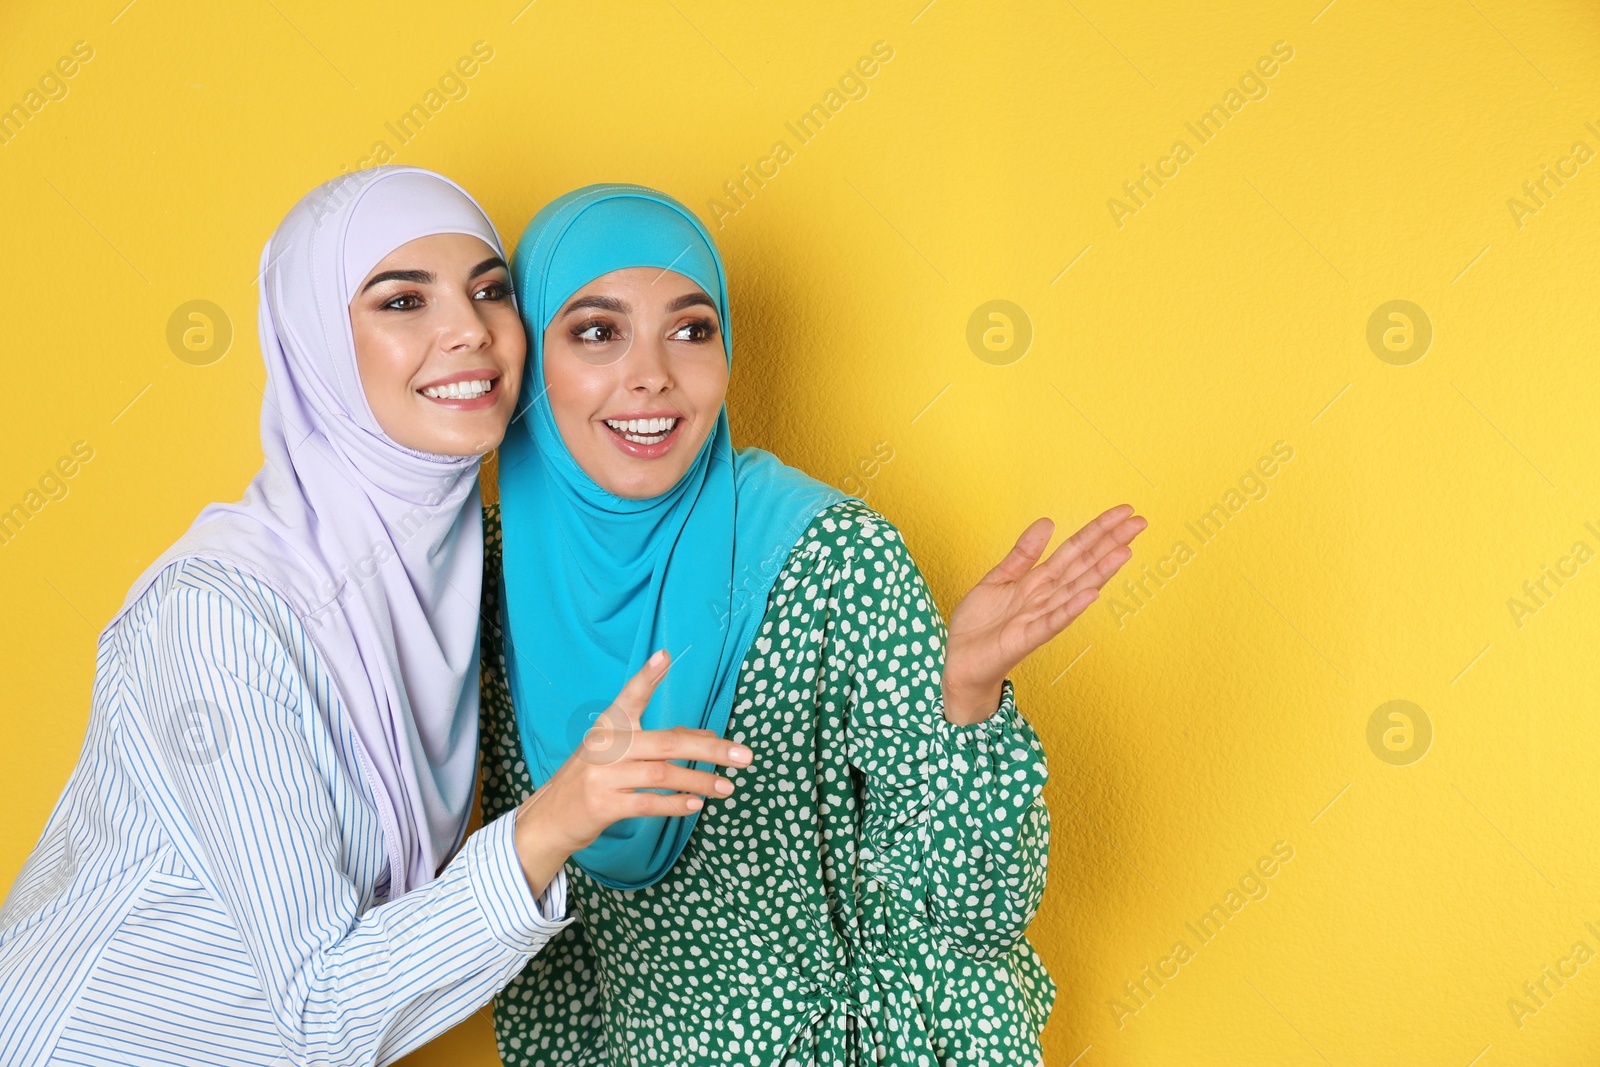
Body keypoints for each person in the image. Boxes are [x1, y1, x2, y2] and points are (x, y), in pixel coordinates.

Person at [0, 166, 748, 1067]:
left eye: (489, 293)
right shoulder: (220, 618)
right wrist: (551, 824)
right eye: (401, 302)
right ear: (317, 341)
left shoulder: (450, 568)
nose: (467, 331)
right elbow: (319, 1008)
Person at [480, 183, 1146, 1065]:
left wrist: (967, 699)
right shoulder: (490, 578)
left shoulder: (830, 557)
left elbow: (976, 911)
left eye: (691, 328)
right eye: (597, 332)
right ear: (531, 359)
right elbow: (539, 935)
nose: (652, 374)